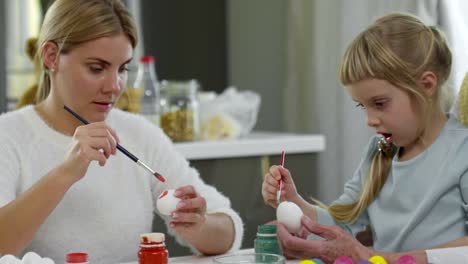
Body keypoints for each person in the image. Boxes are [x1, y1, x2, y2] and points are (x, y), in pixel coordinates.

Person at [0, 0, 243, 263]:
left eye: (123, 68)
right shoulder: (9, 136)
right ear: (51, 57)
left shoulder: (140, 134)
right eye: (97, 68)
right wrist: (65, 173)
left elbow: (229, 231)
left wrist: (200, 226)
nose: (114, 86)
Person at [262, 13, 468, 263]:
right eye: (362, 106)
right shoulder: (379, 150)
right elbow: (341, 224)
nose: (370, 119)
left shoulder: (462, 150)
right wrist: (294, 203)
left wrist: (377, 257)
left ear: (426, 85)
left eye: (380, 103)